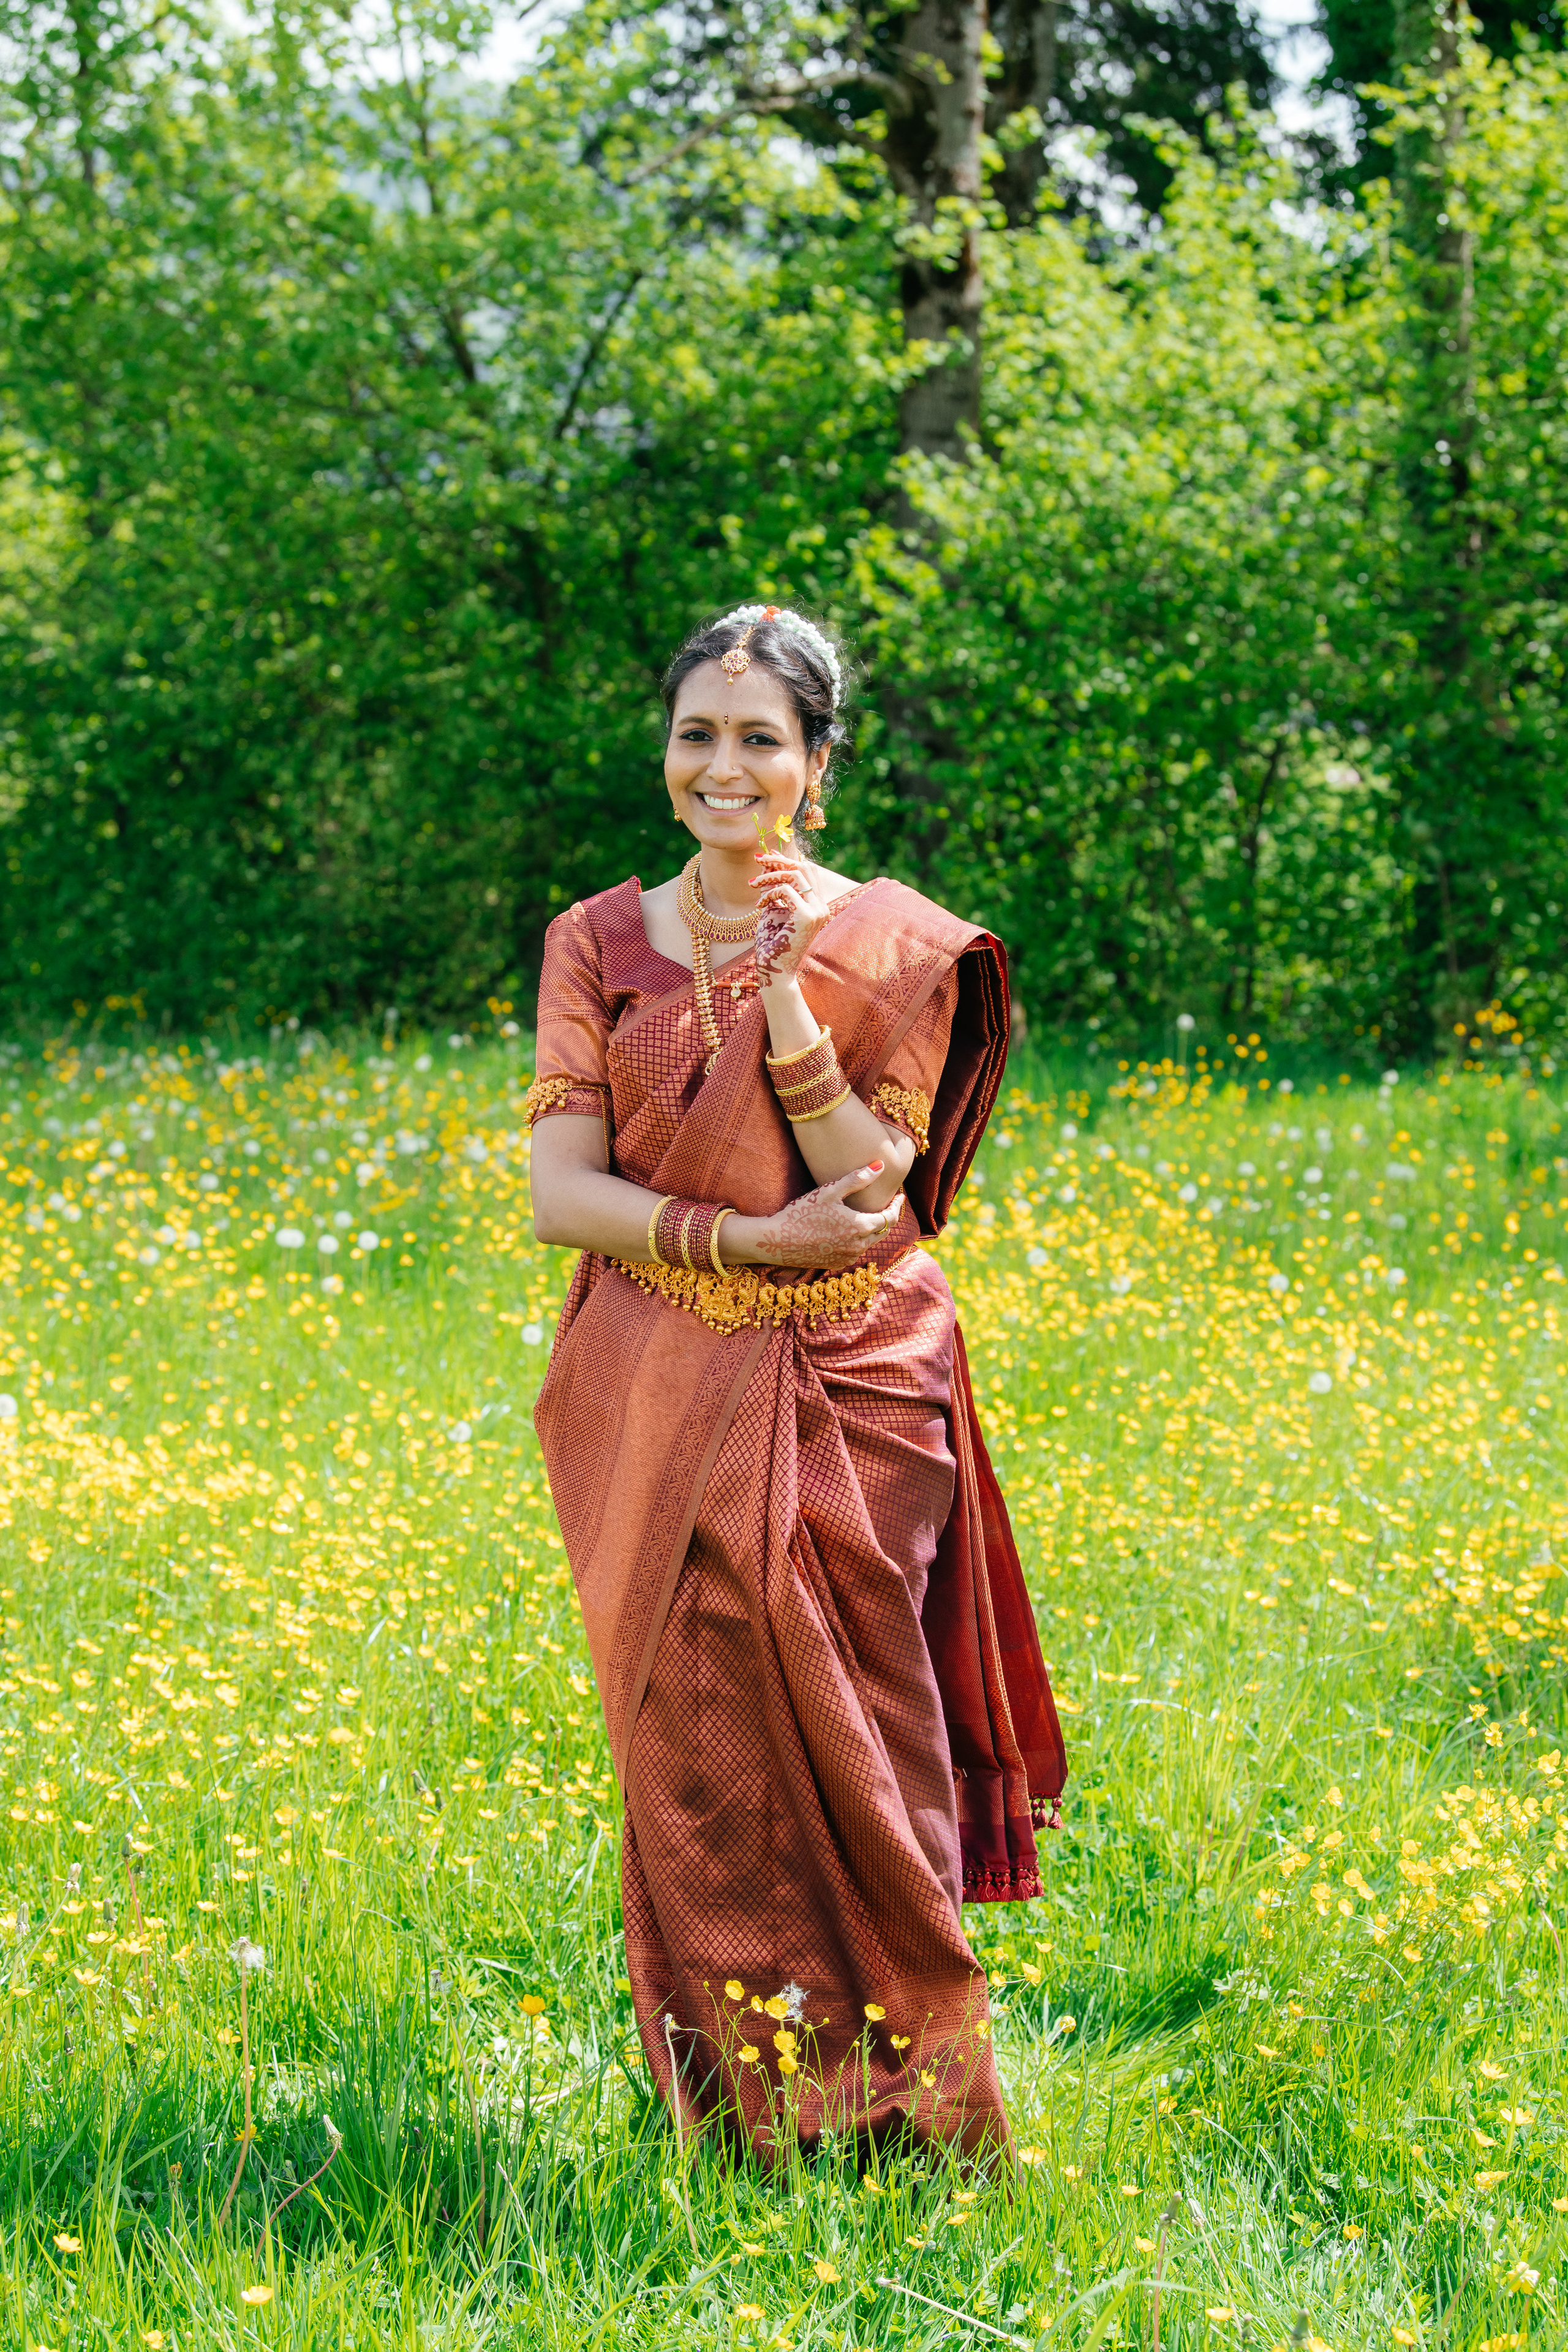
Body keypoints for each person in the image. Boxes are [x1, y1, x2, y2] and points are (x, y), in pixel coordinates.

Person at [527, 602, 1066, 2157]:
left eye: (759, 738)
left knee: (857, 1737)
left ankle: (911, 2116)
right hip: (649, 1379)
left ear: (815, 770)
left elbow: (876, 1193)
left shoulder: (895, 948)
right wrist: (736, 1240)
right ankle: (738, 2121)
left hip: (851, 1379)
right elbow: (561, 1190)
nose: (722, 765)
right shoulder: (596, 940)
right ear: (665, 753)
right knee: (688, 1755)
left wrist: (779, 1003)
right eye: (697, 733)